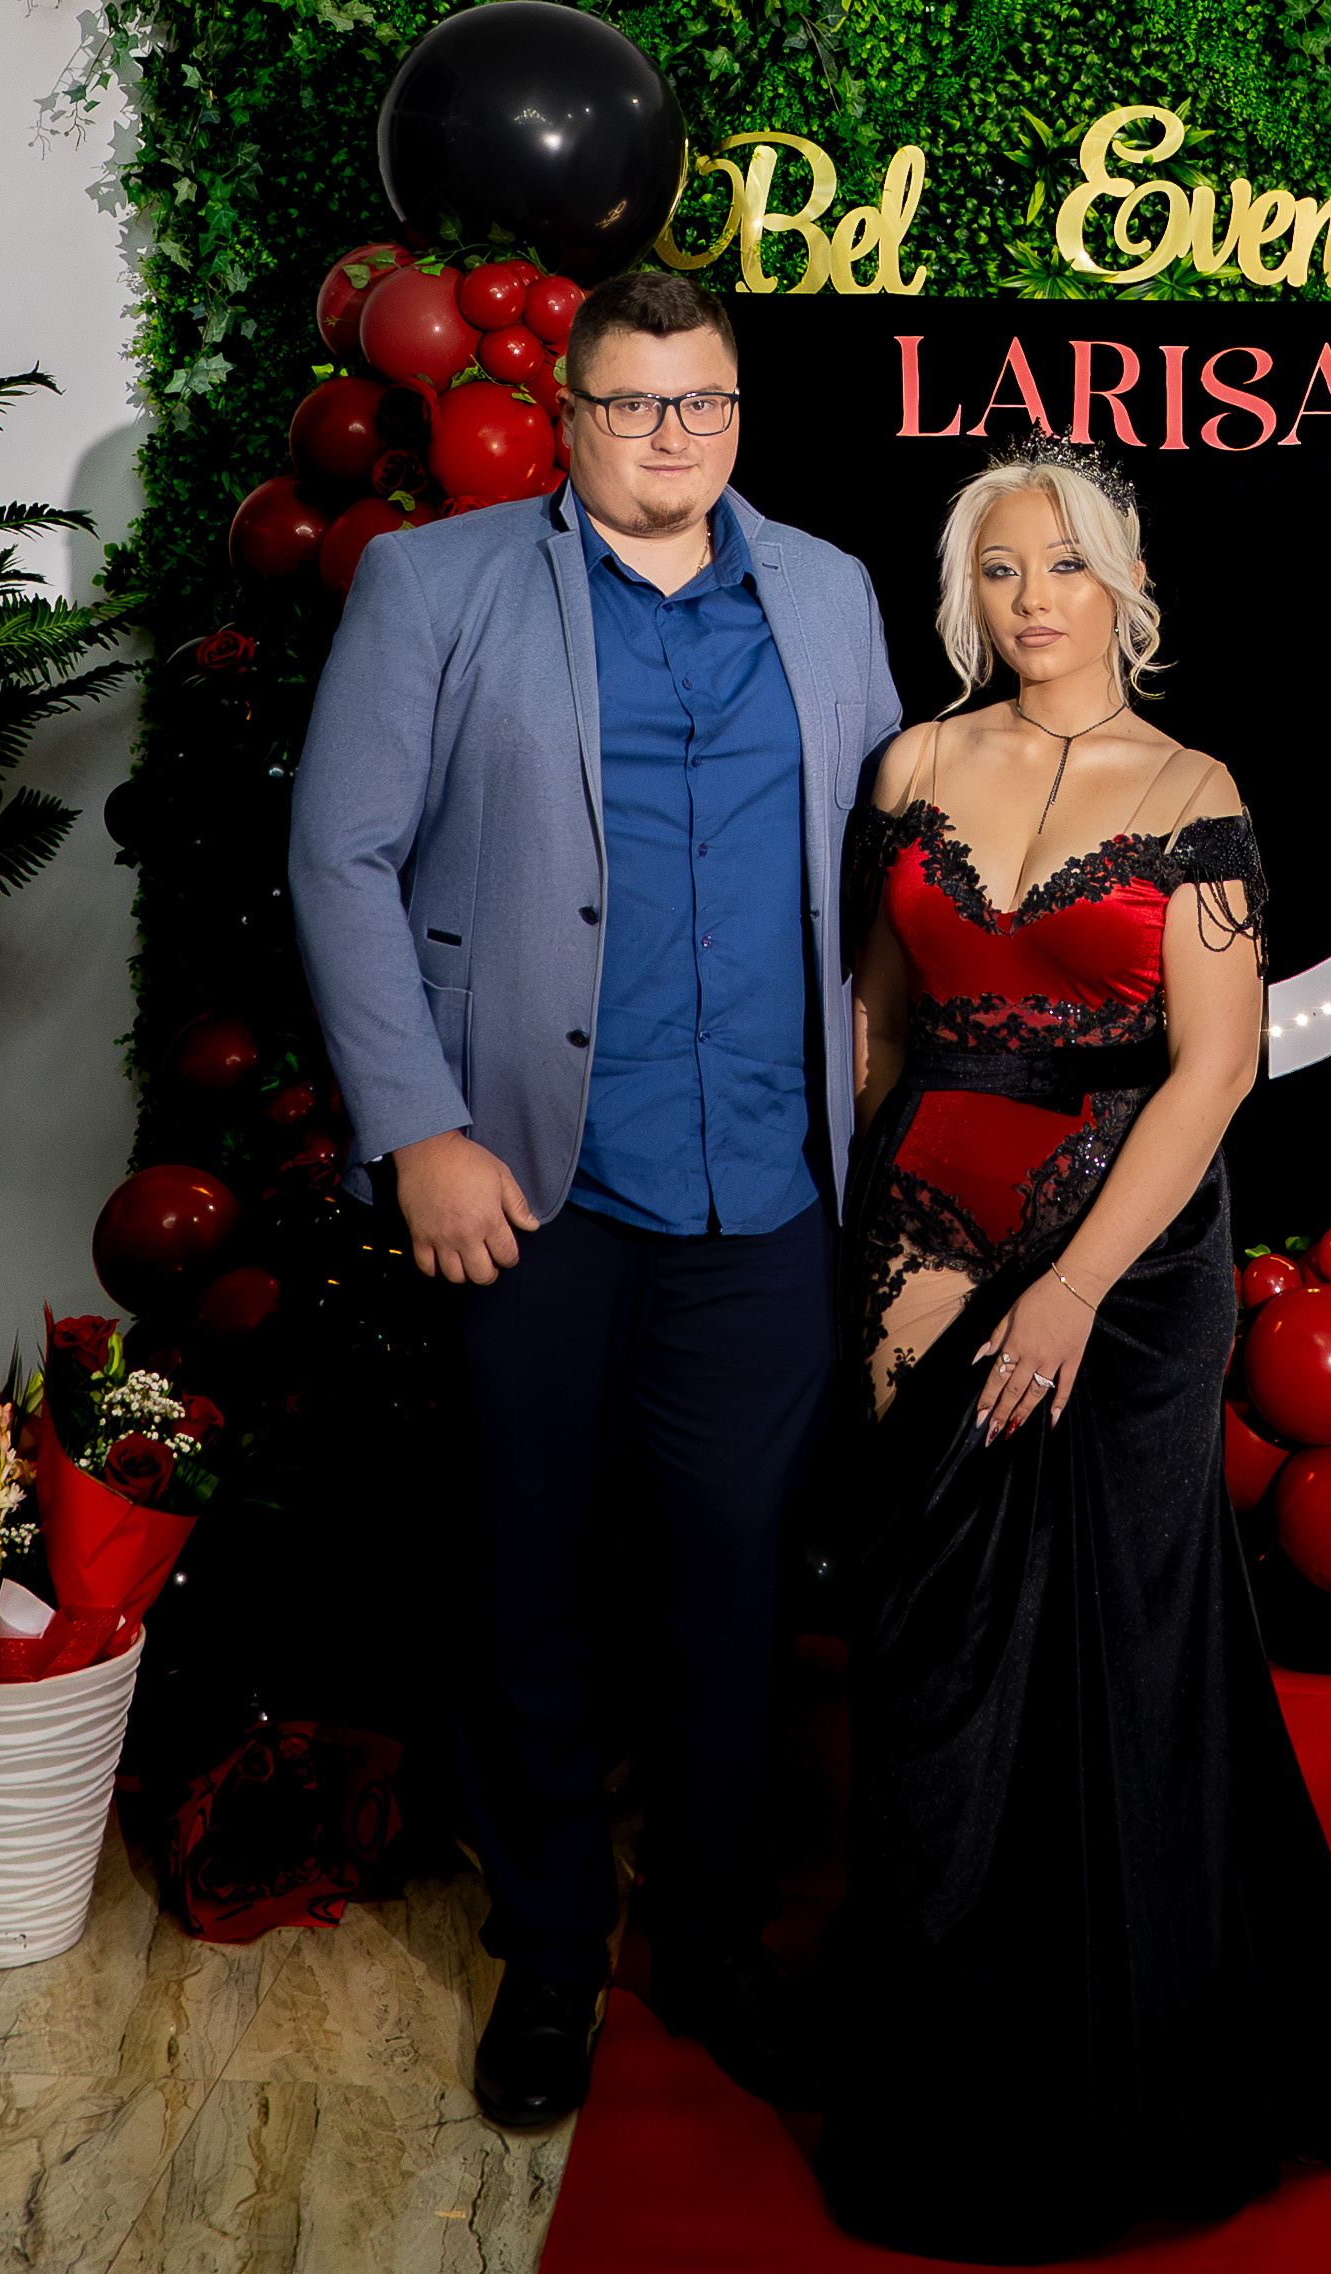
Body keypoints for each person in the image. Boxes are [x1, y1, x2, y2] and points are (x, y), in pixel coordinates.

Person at [812, 438, 1331, 2262]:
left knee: (1121, 1654)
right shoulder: (910, 767)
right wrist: (850, 1232)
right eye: (998, 570)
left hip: (1131, 1257)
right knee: (926, 1658)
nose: (1033, 600)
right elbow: (877, 1029)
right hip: (922, 1229)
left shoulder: (1192, 789)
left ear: (1124, 584)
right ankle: (939, 2071)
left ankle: (1134, 2063)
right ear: (967, 594)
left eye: (1063, 566)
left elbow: (1216, 1067)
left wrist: (1077, 1287)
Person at [286, 269, 901, 2130]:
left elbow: (891, 853)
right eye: (630, 405)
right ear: (564, 415)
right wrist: (418, 1128)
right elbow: (341, 855)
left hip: (767, 1184)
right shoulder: (437, 585)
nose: (669, 437)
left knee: (733, 1582)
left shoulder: (826, 592)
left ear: (738, 410)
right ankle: (552, 1953)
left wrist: (891, 1061)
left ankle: (708, 1945)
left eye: (701, 403)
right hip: (529, 1183)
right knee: (529, 1573)